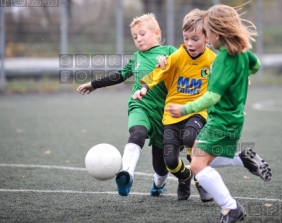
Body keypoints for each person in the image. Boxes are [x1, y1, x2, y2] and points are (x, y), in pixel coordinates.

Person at [165, 4, 271, 222]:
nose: (207, 37)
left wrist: (185, 109)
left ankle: (230, 207)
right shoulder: (242, 52)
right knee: (199, 155)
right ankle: (243, 159)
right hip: (233, 118)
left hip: (221, 121)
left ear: (217, 33)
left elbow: (212, 96)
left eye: (208, 32)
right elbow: (256, 65)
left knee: (196, 165)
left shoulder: (223, 58)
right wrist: (240, 78)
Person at [77, 13, 177, 197]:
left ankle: (158, 183)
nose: (138, 39)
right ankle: (127, 173)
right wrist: (94, 84)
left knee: (161, 164)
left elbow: (188, 67)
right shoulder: (136, 58)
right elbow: (120, 75)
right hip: (140, 105)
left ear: (157, 33)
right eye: (135, 37)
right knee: (137, 132)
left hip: (165, 113)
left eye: (142, 34)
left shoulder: (170, 51)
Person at [134, 9, 217, 202]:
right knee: (170, 161)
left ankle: (200, 180)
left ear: (207, 38)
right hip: (171, 115)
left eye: (195, 38)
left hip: (197, 112)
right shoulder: (178, 56)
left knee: (190, 138)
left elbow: (226, 76)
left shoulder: (213, 59)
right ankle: (185, 177)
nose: (189, 43)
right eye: (186, 38)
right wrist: (143, 88)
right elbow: (158, 73)